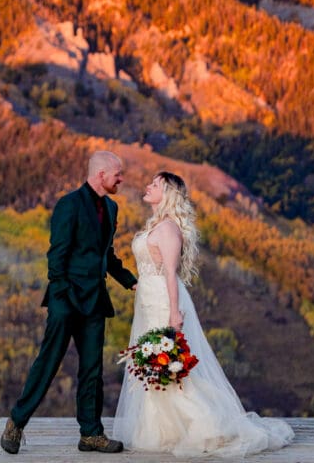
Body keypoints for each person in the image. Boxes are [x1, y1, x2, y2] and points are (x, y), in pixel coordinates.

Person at [113, 171, 294, 457]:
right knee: (153, 364)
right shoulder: (156, 225)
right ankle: (163, 429)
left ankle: (206, 426)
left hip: (164, 300)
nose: (148, 186)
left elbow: (170, 274)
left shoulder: (169, 229)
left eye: (156, 184)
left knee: (171, 364)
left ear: (168, 194)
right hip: (148, 301)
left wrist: (174, 313)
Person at [1, 150, 137, 455]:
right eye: (118, 174)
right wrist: (61, 295)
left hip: (95, 301)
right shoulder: (69, 204)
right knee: (48, 363)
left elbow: (107, 255)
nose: (121, 179)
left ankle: (91, 434)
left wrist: (131, 281)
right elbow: (57, 254)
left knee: (92, 370)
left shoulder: (112, 209)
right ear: (101, 174)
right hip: (66, 299)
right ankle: (16, 423)